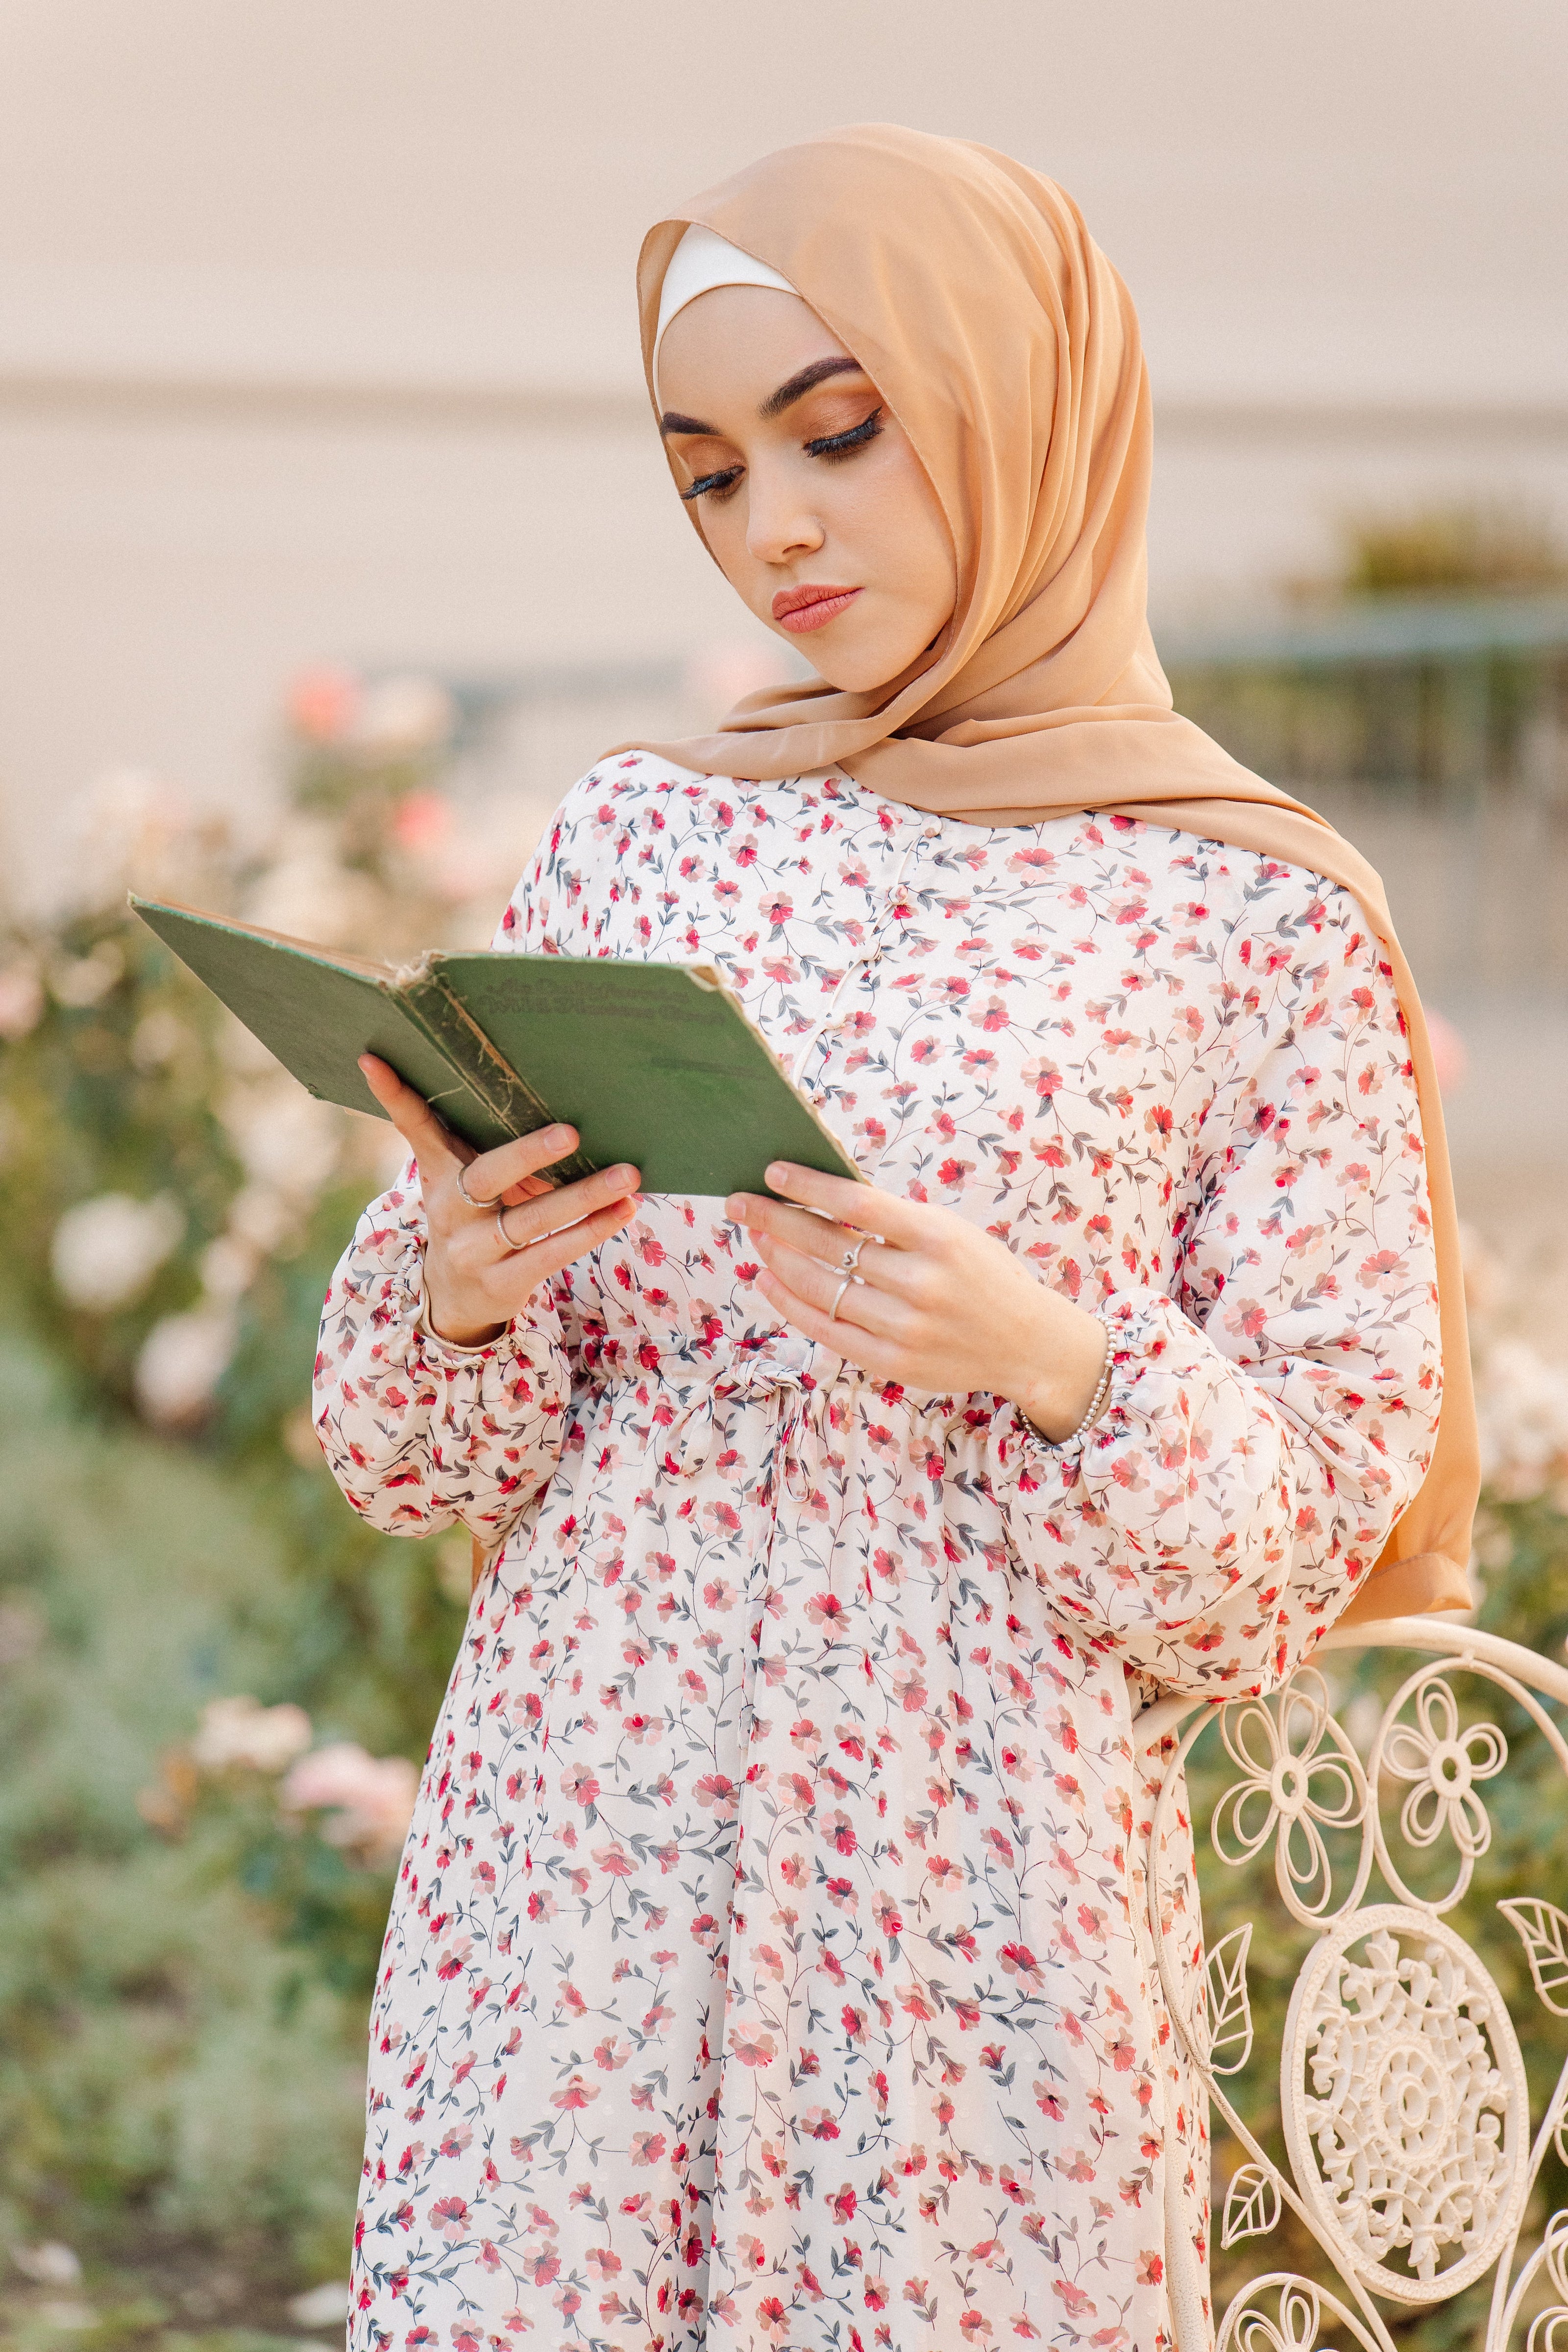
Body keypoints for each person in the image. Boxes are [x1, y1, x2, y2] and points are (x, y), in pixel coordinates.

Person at [316, 124, 1476, 2352]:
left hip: (967, 1882)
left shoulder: (1243, 909)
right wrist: (455, 1284)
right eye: (711, 473)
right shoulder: (645, 838)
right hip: (577, 1848)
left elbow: (1301, 1542)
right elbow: (418, 1464)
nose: (778, 528)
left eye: (839, 435)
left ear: (1014, 403)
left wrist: (1053, 1358)